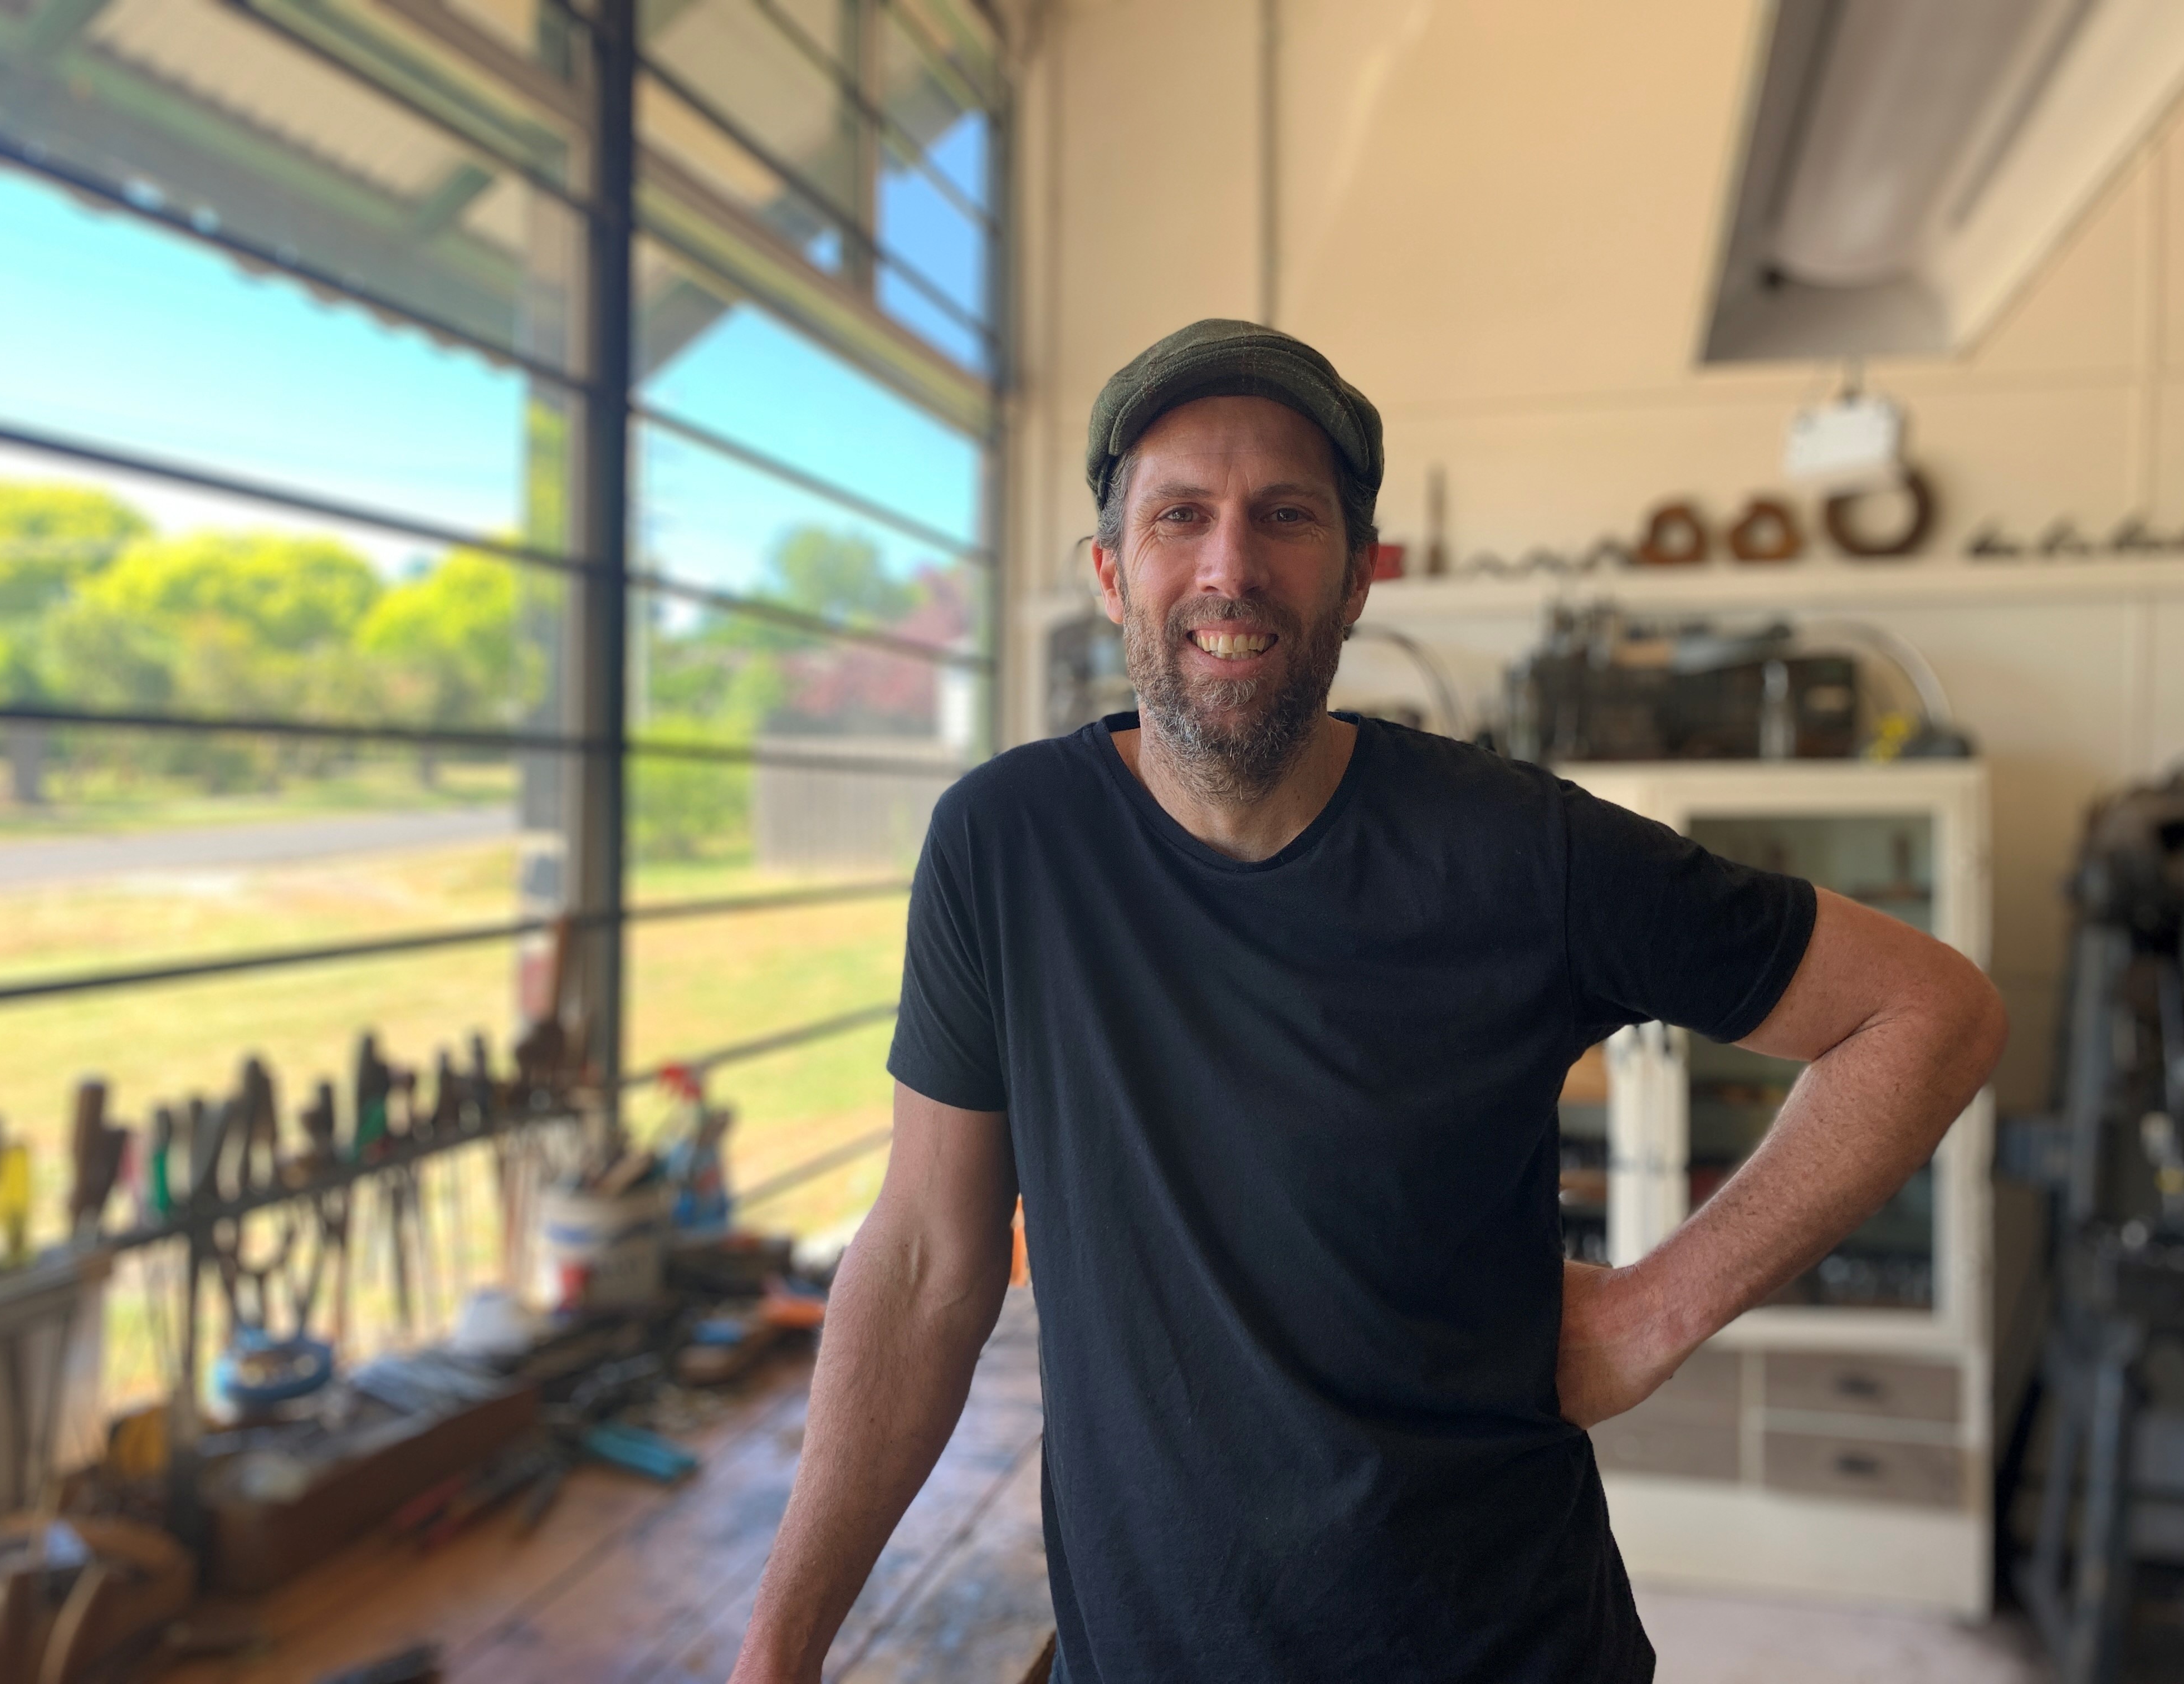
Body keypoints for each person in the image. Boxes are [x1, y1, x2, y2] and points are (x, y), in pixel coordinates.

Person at [727, 319, 2007, 1683]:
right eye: (1181, 517)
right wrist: (778, 1652)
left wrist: (1653, 1312)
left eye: (1286, 517)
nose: (1231, 566)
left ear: (1354, 582)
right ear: (1113, 575)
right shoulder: (1005, 849)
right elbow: (925, 1259)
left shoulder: (1522, 854)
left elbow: (1930, 1012)